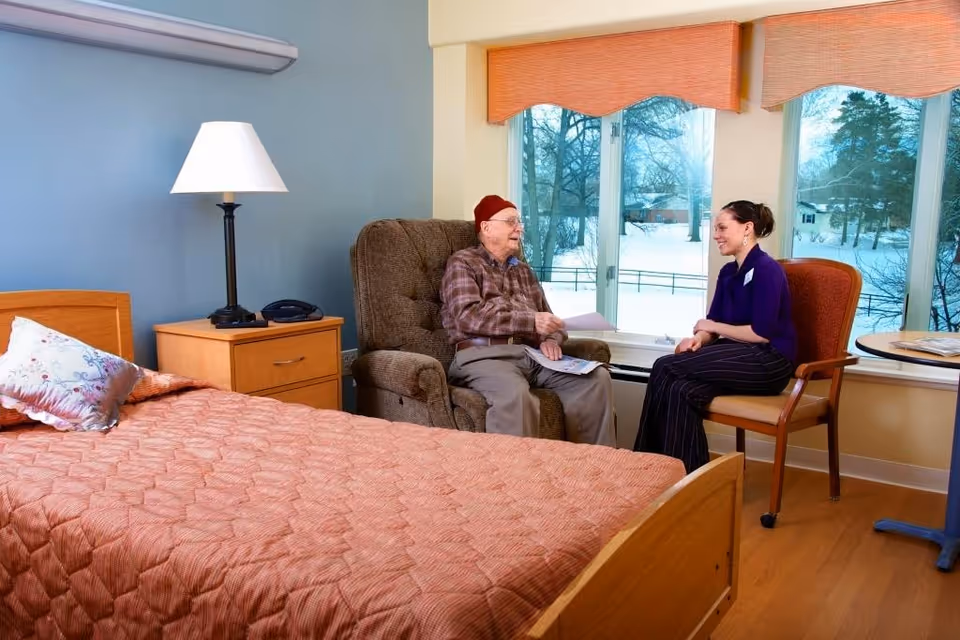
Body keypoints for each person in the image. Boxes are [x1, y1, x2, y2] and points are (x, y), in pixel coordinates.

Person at [633, 200, 798, 473]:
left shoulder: (767, 269)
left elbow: (761, 333)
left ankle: (644, 466)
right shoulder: (728, 272)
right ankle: (689, 476)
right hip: (736, 356)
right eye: (715, 229)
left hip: (769, 362)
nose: (715, 235)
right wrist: (699, 338)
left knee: (664, 366)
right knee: (680, 390)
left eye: (722, 228)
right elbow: (713, 323)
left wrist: (713, 327)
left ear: (747, 228)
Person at [439, 194, 616, 446]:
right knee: (516, 395)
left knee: (596, 379)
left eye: (519, 222)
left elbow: (549, 318)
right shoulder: (463, 263)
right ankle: (519, 471)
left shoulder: (523, 271)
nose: (519, 228)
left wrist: (551, 338)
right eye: (511, 221)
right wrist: (531, 322)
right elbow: (468, 317)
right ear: (486, 227)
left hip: (531, 356)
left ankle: (591, 464)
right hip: (483, 355)